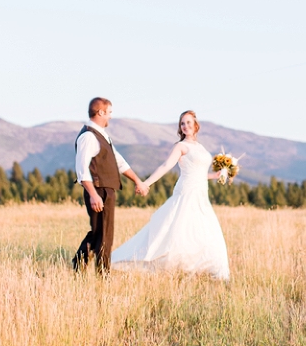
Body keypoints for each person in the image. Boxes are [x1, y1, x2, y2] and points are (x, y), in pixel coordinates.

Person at [111, 110, 230, 280]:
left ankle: (204, 269)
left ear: (196, 125)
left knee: (202, 229)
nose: (185, 126)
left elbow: (198, 172)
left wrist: (214, 176)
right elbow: (166, 166)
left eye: (188, 122)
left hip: (201, 193)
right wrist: (146, 183)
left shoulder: (201, 147)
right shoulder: (180, 146)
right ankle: (174, 265)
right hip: (187, 191)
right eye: (182, 123)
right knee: (180, 228)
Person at [73, 97, 149, 275]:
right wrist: (93, 194)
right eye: (109, 113)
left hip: (105, 191)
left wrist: (137, 181)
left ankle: (78, 264)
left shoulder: (101, 135)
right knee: (104, 235)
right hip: (98, 191)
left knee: (101, 233)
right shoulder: (88, 136)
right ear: (100, 112)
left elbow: (118, 161)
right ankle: (102, 274)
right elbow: (82, 169)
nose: (110, 117)